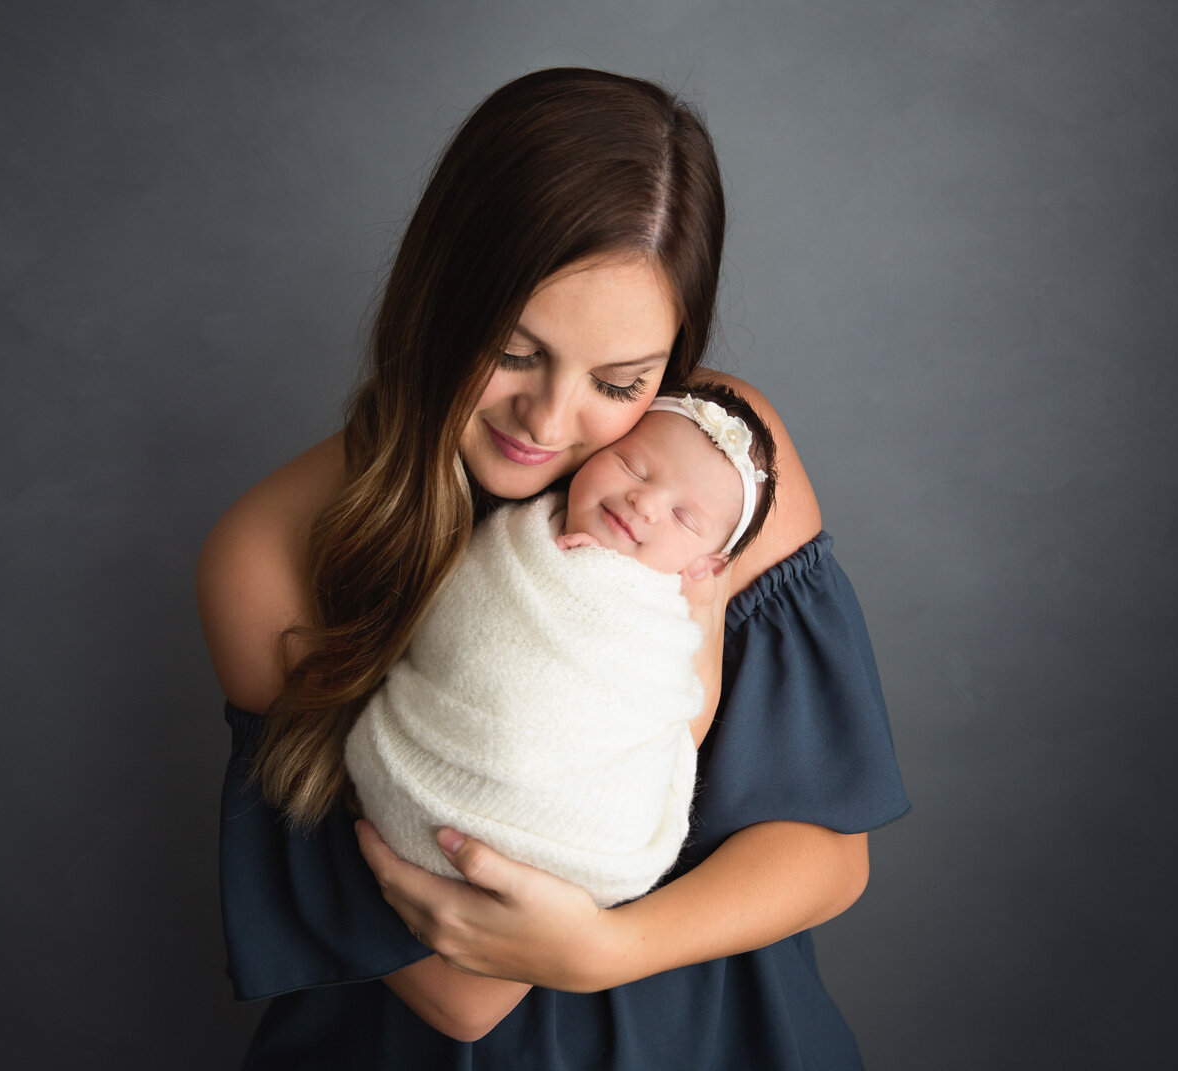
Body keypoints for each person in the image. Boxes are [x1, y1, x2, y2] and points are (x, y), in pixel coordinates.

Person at [198, 67, 909, 1069]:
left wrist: (615, 947)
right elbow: (461, 996)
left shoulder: (714, 473)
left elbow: (827, 857)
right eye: (513, 352)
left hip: (719, 1037)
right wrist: (680, 697)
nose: (549, 422)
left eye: (621, 383)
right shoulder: (270, 553)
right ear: (437, 298)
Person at [344, 387, 778, 909]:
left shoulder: (658, 620)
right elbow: (446, 624)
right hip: (431, 761)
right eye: (633, 466)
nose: (645, 501)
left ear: (704, 567)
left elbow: (664, 708)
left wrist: (603, 583)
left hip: (567, 829)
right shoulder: (514, 534)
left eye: (685, 518)